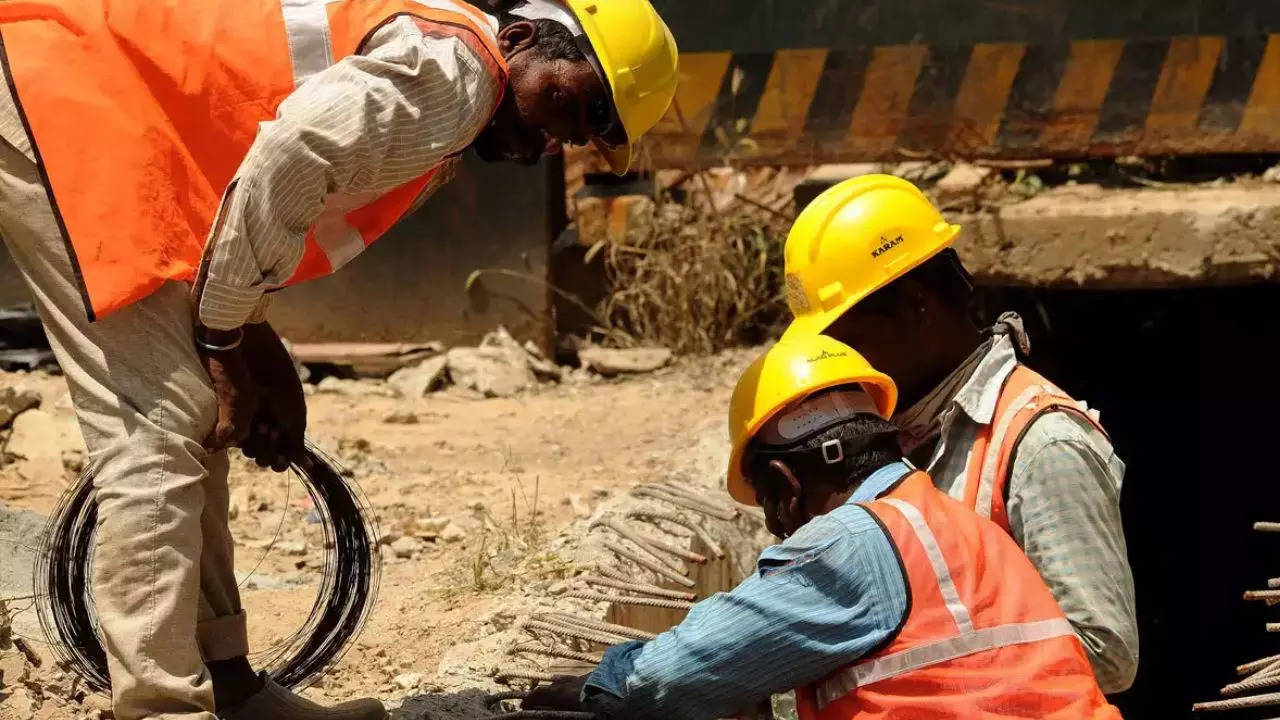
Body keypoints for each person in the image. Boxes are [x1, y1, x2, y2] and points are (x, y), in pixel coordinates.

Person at [0, 1, 677, 718]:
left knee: (192, 414)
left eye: (591, 133)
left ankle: (226, 685)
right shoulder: (455, 74)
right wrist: (225, 340)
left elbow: (257, 192)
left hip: (98, 105)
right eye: (578, 101)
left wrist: (252, 343)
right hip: (62, 98)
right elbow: (290, 152)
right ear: (519, 39)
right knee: (160, 426)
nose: (565, 135)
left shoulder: (448, 68)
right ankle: (164, 705)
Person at [526, 335, 1122, 720]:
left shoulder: (849, 542)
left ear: (785, 482)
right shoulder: (959, 527)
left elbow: (671, 677)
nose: (777, 529)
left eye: (765, 502)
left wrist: (590, 686)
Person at [780, 174, 1138, 692]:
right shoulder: (896, 432)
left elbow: (1106, 654)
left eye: (847, 338)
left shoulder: (1042, 444)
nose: (837, 363)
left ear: (916, 306)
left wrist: (912, 652)